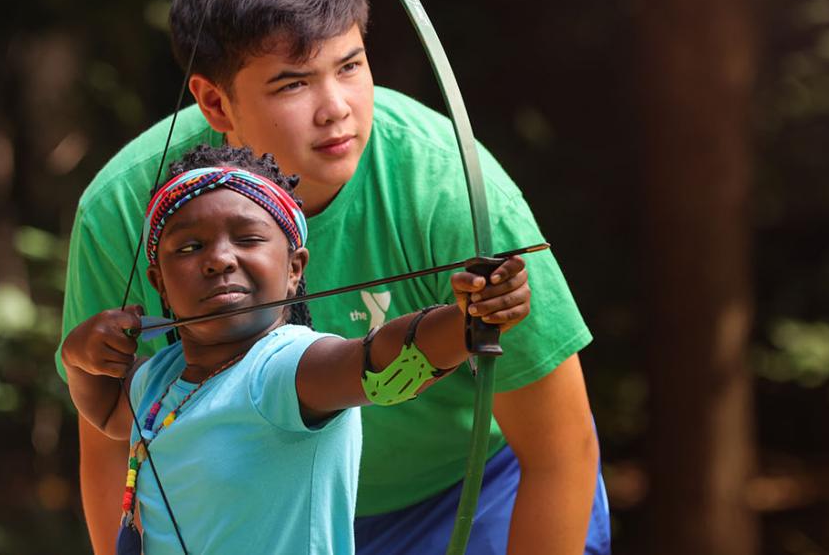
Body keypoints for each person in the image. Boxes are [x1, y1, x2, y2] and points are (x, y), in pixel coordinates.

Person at [58, 0, 609, 553]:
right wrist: (84, 357)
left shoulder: (447, 186)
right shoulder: (130, 209)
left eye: (350, 66)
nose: (337, 109)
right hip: (257, 518)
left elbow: (557, 449)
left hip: (471, 495)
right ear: (215, 103)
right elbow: (115, 439)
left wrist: (470, 321)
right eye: (293, 83)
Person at [61, 150, 532, 553]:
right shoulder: (160, 380)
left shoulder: (285, 367)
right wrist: (77, 356)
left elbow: (374, 363)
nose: (220, 258)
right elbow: (105, 410)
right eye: (190, 246)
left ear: (294, 269)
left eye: (247, 239)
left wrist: (466, 321)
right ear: (159, 283)